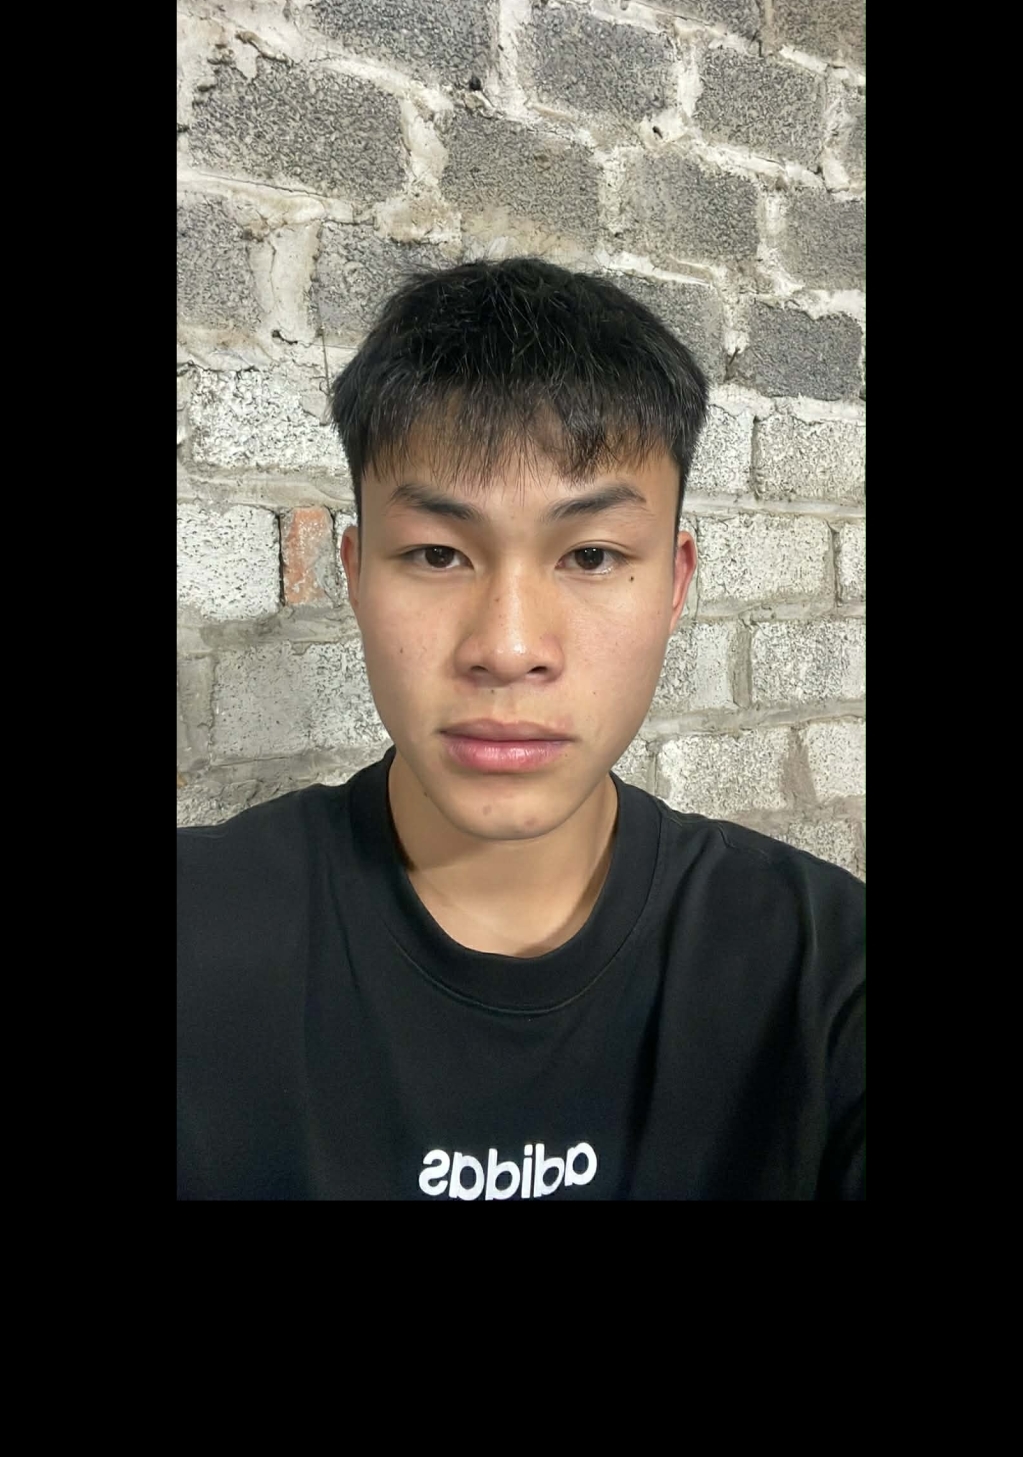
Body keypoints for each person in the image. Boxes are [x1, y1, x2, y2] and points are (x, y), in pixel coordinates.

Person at [177, 257, 864, 1201]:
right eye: (436, 553)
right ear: (355, 575)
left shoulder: (822, 969)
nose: (506, 649)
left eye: (591, 555)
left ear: (674, 584)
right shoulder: (201, 939)